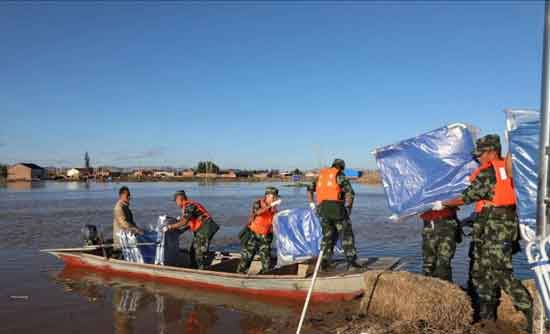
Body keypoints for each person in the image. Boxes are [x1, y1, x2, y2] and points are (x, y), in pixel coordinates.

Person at [436, 134, 532, 330]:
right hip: (492, 227)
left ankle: (531, 313)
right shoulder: (506, 171)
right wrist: (473, 218)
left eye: (480, 154)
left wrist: (442, 203)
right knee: (480, 272)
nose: (478, 158)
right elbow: (490, 200)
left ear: (491, 152)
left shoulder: (489, 173)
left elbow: (467, 196)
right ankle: (486, 317)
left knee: (500, 272)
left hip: (495, 232)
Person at [307, 158, 362, 271]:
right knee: (346, 235)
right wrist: (348, 208)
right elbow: (350, 193)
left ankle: (324, 262)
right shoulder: (339, 176)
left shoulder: (321, 176)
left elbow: (309, 189)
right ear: (341, 167)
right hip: (337, 209)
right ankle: (351, 262)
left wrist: (312, 203)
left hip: (322, 210)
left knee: (327, 236)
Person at [166, 190, 219, 269]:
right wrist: (179, 231)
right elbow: (188, 224)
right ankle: (194, 268)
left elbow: (184, 221)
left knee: (199, 252)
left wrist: (170, 227)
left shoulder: (189, 206)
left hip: (205, 228)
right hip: (202, 229)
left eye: (176, 201)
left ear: (180, 199)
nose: (176, 204)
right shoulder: (190, 205)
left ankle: (201, 271)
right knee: (193, 251)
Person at [236, 186, 281, 274]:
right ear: (267, 196)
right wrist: (270, 205)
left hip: (266, 237)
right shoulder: (258, 203)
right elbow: (258, 212)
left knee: (267, 263)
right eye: (273, 197)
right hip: (253, 236)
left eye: (276, 197)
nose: (275, 199)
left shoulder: (274, 208)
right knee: (246, 258)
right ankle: (239, 275)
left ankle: (263, 277)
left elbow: (275, 220)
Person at [419, 207, 460, 282]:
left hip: (443, 223)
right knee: (431, 263)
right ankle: (430, 289)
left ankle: (442, 289)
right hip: (433, 224)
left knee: (441, 264)